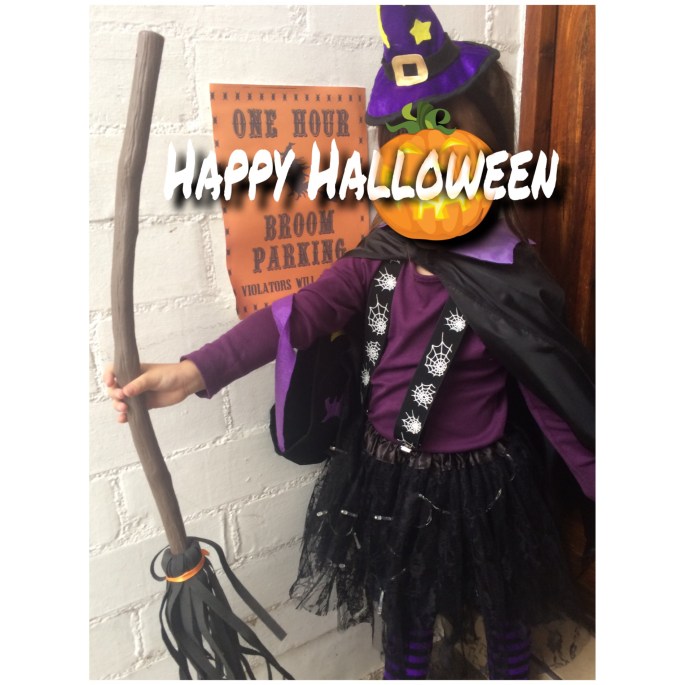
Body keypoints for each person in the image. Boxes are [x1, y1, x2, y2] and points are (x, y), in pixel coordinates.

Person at [106, 6, 594, 680]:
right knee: (406, 623)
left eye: (447, 139)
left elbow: (551, 396)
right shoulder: (376, 259)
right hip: (390, 479)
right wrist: (193, 372)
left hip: (486, 484)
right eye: (405, 143)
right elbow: (297, 316)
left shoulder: (512, 273)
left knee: (506, 611)